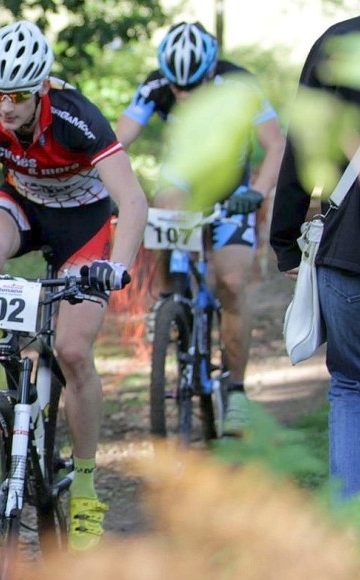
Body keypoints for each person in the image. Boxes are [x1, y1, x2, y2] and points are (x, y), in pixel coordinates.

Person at [0, 20, 148, 551]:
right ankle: (0, 372)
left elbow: (133, 201)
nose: (4, 108)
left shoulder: (77, 117)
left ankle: (88, 483)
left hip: (83, 227)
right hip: (22, 207)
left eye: (19, 97)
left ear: (42, 89)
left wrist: (115, 267)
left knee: (73, 351)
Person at [115, 21, 285, 435]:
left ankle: (239, 391)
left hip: (233, 190)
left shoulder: (240, 84)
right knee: (165, 201)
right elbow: (117, 142)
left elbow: (277, 144)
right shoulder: (156, 86)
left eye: (193, 87)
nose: (184, 95)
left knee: (230, 281)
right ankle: (170, 293)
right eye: (177, 89)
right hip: (185, 181)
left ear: (211, 72)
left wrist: (259, 192)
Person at [270, 0, 360, 500]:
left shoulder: (339, 44)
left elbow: (302, 149)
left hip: (352, 253)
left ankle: (357, 544)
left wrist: (285, 242)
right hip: (355, 253)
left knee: (357, 391)